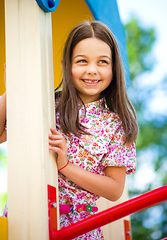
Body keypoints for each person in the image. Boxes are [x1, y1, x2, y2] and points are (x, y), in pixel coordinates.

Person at [1, 21, 138, 239]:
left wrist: (66, 165)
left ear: (113, 68)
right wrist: (11, 92)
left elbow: (114, 190)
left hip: (79, 228)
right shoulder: (48, 104)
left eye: (102, 62)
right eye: (82, 61)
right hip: (25, 217)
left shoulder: (116, 123)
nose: (91, 70)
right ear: (67, 64)